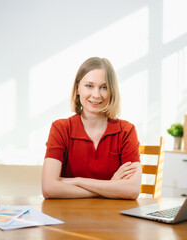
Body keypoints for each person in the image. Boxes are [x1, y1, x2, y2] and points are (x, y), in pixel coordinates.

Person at [41, 57, 142, 199]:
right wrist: (110, 187)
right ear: (77, 88)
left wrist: (77, 181)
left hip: (112, 217)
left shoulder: (126, 131)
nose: (96, 95)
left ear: (112, 91)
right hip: (69, 217)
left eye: (104, 87)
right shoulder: (60, 128)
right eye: (89, 86)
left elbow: (132, 190)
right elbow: (49, 188)